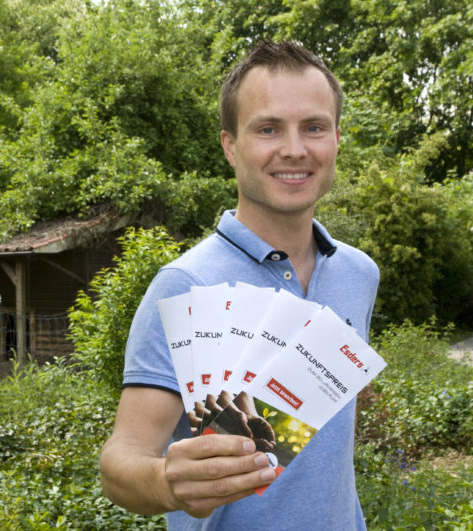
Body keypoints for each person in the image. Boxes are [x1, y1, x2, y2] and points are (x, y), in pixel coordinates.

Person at [99, 39, 380, 530]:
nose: (294, 149)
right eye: (268, 128)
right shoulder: (184, 286)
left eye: (313, 127)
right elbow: (120, 464)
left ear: (337, 137)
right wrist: (167, 482)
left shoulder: (359, 273)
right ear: (230, 145)